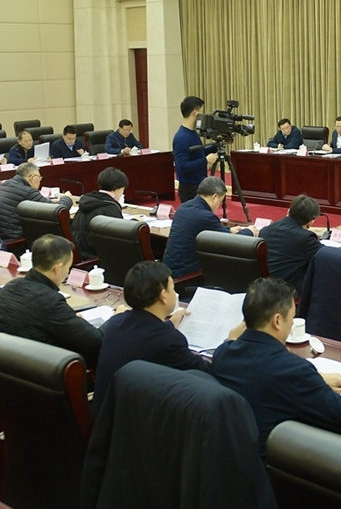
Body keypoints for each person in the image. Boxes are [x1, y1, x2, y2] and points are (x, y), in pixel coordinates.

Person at [211, 277, 341, 460]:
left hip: (234, 459)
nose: (292, 324)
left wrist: (316, 379)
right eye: (292, 317)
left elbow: (261, 377)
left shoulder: (222, 355)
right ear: (277, 321)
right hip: (277, 466)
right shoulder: (291, 370)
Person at [92, 261, 242, 418]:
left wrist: (170, 323)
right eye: (172, 288)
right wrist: (230, 342)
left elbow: (143, 335)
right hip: (133, 422)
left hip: (104, 415)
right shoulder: (169, 340)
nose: (174, 293)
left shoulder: (116, 323)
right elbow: (207, 372)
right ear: (163, 296)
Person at [0, 234, 121, 366]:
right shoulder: (51, 302)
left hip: (13, 364)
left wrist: (68, 318)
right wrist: (116, 317)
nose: (67, 273)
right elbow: (97, 341)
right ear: (57, 269)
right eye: (68, 268)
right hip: (50, 366)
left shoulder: (10, 287)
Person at [162, 176, 257, 278]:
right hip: (186, 276)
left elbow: (211, 230)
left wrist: (229, 230)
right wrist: (249, 232)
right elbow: (229, 243)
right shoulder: (206, 216)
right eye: (220, 201)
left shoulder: (183, 207)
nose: (219, 205)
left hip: (168, 271)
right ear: (214, 197)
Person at [259, 194, 324, 295]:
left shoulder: (265, 230)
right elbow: (327, 256)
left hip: (262, 289)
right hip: (286, 294)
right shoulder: (306, 239)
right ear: (311, 222)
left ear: (288, 211)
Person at [0, 163, 74, 241]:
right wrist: (67, 198)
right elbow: (58, 211)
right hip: (12, 238)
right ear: (32, 178)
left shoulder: (5, 184)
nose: (40, 180)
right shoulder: (28, 191)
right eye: (39, 177)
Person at [70, 167, 128, 259]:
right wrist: (135, 221)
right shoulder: (110, 207)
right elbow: (120, 236)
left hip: (78, 253)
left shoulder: (87, 200)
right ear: (115, 188)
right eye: (122, 189)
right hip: (95, 257)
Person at [173, 95, 218, 203]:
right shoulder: (182, 138)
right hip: (190, 189)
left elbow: (198, 153)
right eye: (201, 112)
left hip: (198, 185)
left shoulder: (192, 133)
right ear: (195, 113)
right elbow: (182, 166)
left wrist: (216, 146)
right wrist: (206, 160)